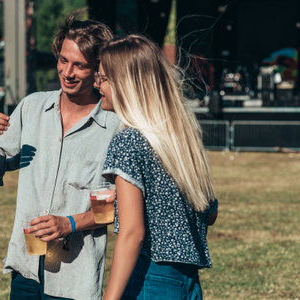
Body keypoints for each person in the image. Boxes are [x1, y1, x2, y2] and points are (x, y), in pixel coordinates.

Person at [0, 12, 119, 299]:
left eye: (79, 66)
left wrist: (70, 223)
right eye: (63, 60)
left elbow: (123, 207)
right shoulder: (31, 107)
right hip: (26, 266)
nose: (67, 72)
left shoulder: (114, 126)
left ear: (98, 70)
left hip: (75, 276)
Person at [95, 34, 219, 299]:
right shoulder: (182, 140)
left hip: (149, 279)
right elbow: (210, 213)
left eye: (104, 78)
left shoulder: (129, 141)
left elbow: (132, 233)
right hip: (188, 283)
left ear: (126, 84)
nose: (98, 85)